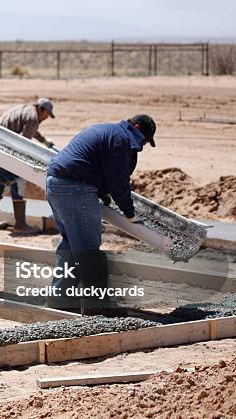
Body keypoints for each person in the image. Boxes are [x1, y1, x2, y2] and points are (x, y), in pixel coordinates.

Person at [45, 115, 156, 310]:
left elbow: (93, 164)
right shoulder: (120, 139)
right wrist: (129, 212)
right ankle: (97, 305)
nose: (143, 146)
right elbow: (118, 180)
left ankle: (60, 297)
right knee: (88, 248)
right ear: (137, 128)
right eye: (145, 141)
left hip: (56, 184)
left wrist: (102, 193)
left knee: (71, 244)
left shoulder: (108, 131)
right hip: (75, 189)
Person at [0, 98, 56, 234]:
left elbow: (31, 131)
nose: (46, 118)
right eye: (47, 114)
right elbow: (23, 143)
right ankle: (20, 224)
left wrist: (44, 141)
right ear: (41, 109)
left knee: (4, 181)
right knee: (19, 179)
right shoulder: (33, 117)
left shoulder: (25, 110)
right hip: (2, 151)